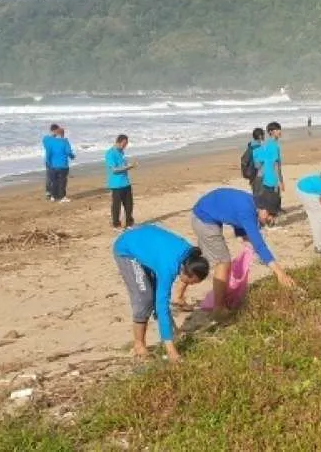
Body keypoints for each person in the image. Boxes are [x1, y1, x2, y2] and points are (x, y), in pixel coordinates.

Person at [175, 188, 298, 318]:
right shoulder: (247, 211)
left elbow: (234, 216)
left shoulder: (251, 204)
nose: (271, 219)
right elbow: (259, 244)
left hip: (205, 212)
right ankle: (218, 309)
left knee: (202, 261)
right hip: (204, 219)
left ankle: (178, 295)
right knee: (223, 262)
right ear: (262, 208)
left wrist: (243, 237)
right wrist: (280, 273)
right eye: (271, 214)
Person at [112, 224, 209, 362]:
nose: (189, 285)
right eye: (191, 282)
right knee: (145, 298)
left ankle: (171, 332)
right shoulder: (168, 267)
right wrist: (171, 350)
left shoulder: (189, 255)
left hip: (147, 244)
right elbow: (162, 304)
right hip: (127, 250)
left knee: (156, 294)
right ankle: (139, 345)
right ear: (186, 272)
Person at [106, 134, 136, 229]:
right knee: (116, 206)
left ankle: (129, 223)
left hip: (125, 182)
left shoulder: (121, 152)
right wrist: (128, 167)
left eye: (126, 144)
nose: (125, 146)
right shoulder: (110, 153)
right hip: (116, 184)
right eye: (124, 144)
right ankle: (116, 224)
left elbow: (123, 165)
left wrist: (129, 165)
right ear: (118, 142)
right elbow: (114, 169)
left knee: (129, 204)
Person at [42, 124, 76, 203]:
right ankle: (61, 196)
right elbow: (68, 152)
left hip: (51, 163)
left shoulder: (48, 140)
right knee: (62, 181)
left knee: (53, 180)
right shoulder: (64, 141)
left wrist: (48, 161)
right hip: (62, 165)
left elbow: (48, 152)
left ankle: (52, 196)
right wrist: (72, 156)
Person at [242, 127, 266, 197]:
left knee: (256, 194)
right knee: (260, 195)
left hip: (251, 174)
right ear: (260, 136)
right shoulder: (258, 148)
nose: (264, 136)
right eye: (263, 135)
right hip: (258, 175)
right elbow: (258, 165)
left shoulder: (250, 147)